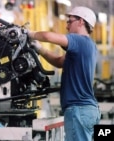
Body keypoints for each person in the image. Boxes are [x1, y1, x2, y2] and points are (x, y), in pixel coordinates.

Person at [28, 6, 101, 141]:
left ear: (81, 21)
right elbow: (59, 61)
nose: (67, 26)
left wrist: (28, 33)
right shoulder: (89, 45)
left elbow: (48, 36)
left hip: (78, 110)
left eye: (69, 21)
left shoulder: (79, 40)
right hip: (88, 110)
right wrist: (40, 49)